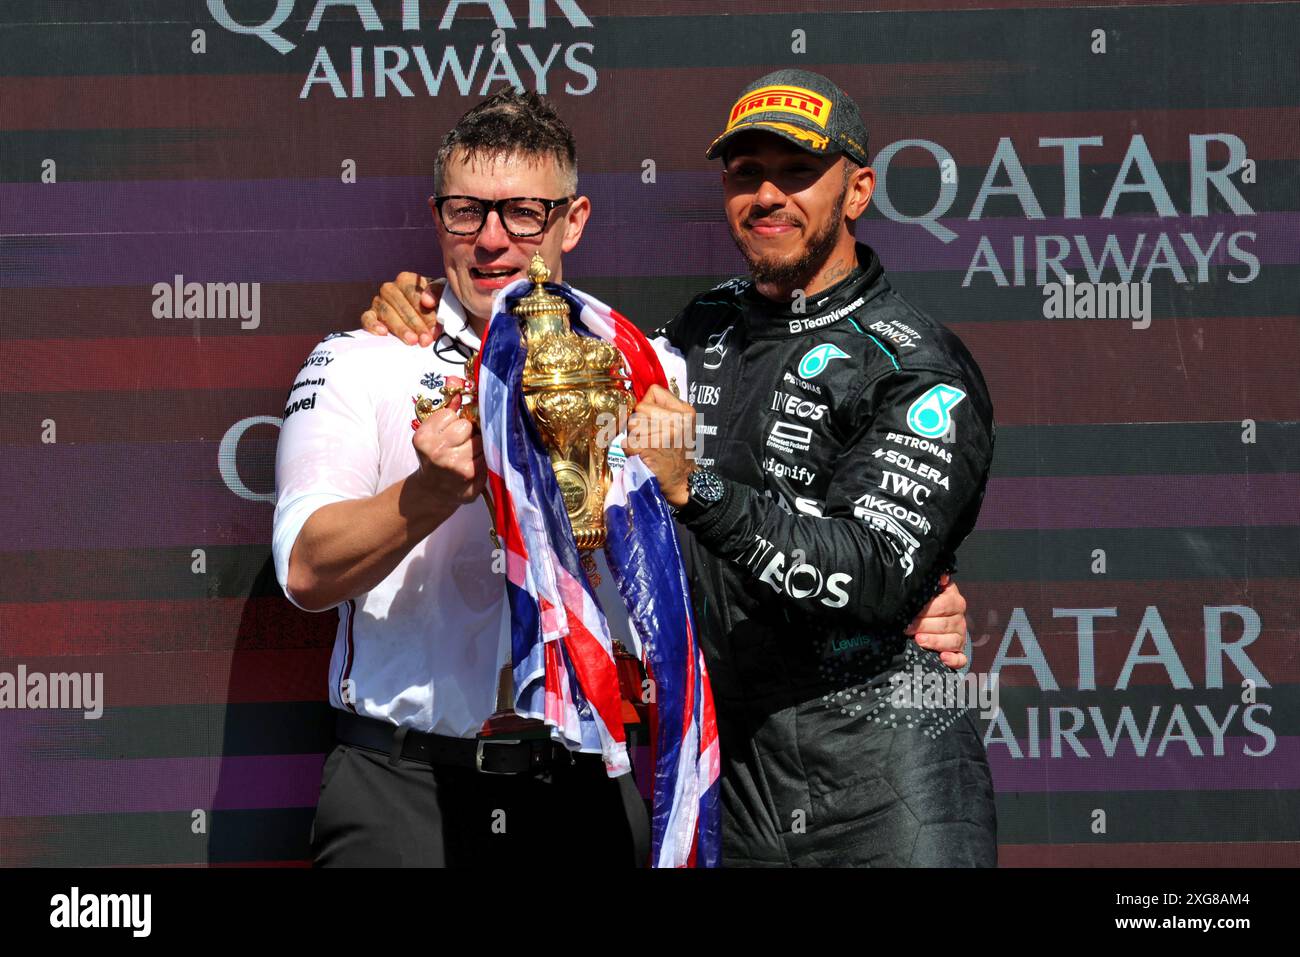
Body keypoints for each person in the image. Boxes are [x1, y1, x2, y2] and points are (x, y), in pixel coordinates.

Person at [302, 87, 973, 868]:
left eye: (524, 213)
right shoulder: (376, 356)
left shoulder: (657, 367)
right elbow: (308, 570)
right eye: (467, 213)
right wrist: (430, 481)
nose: (493, 240)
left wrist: (908, 583)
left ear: (573, 220)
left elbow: (855, 540)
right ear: (438, 217)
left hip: (684, 785)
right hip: (417, 790)